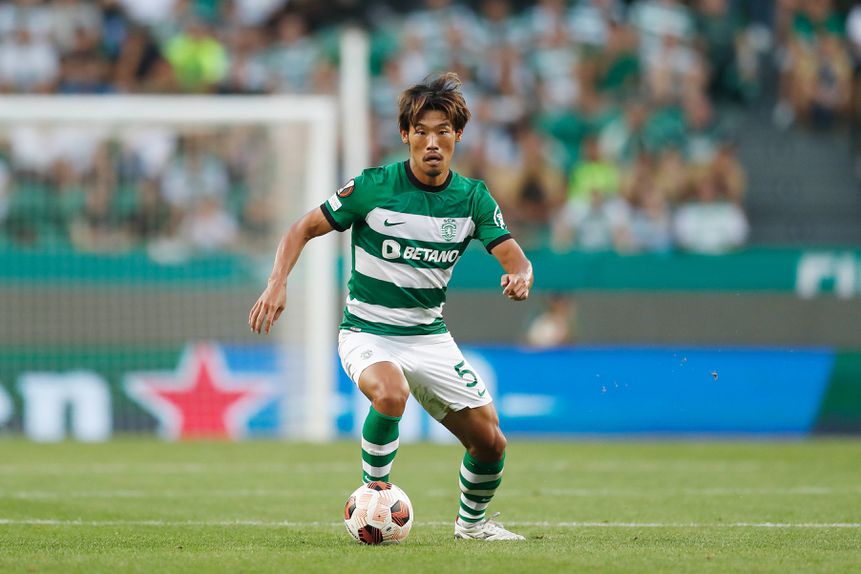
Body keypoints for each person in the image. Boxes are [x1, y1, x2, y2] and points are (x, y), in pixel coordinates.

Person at [248, 72, 532, 541]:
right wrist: (277, 282)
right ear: (405, 135)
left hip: (429, 337)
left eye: (443, 131)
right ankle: (373, 496)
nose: (432, 142)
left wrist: (520, 275)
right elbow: (301, 228)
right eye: (421, 131)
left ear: (458, 135)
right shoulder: (373, 187)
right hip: (367, 332)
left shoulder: (473, 199)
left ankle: (472, 526)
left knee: (490, 443)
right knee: (390, 393)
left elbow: (513, 256)